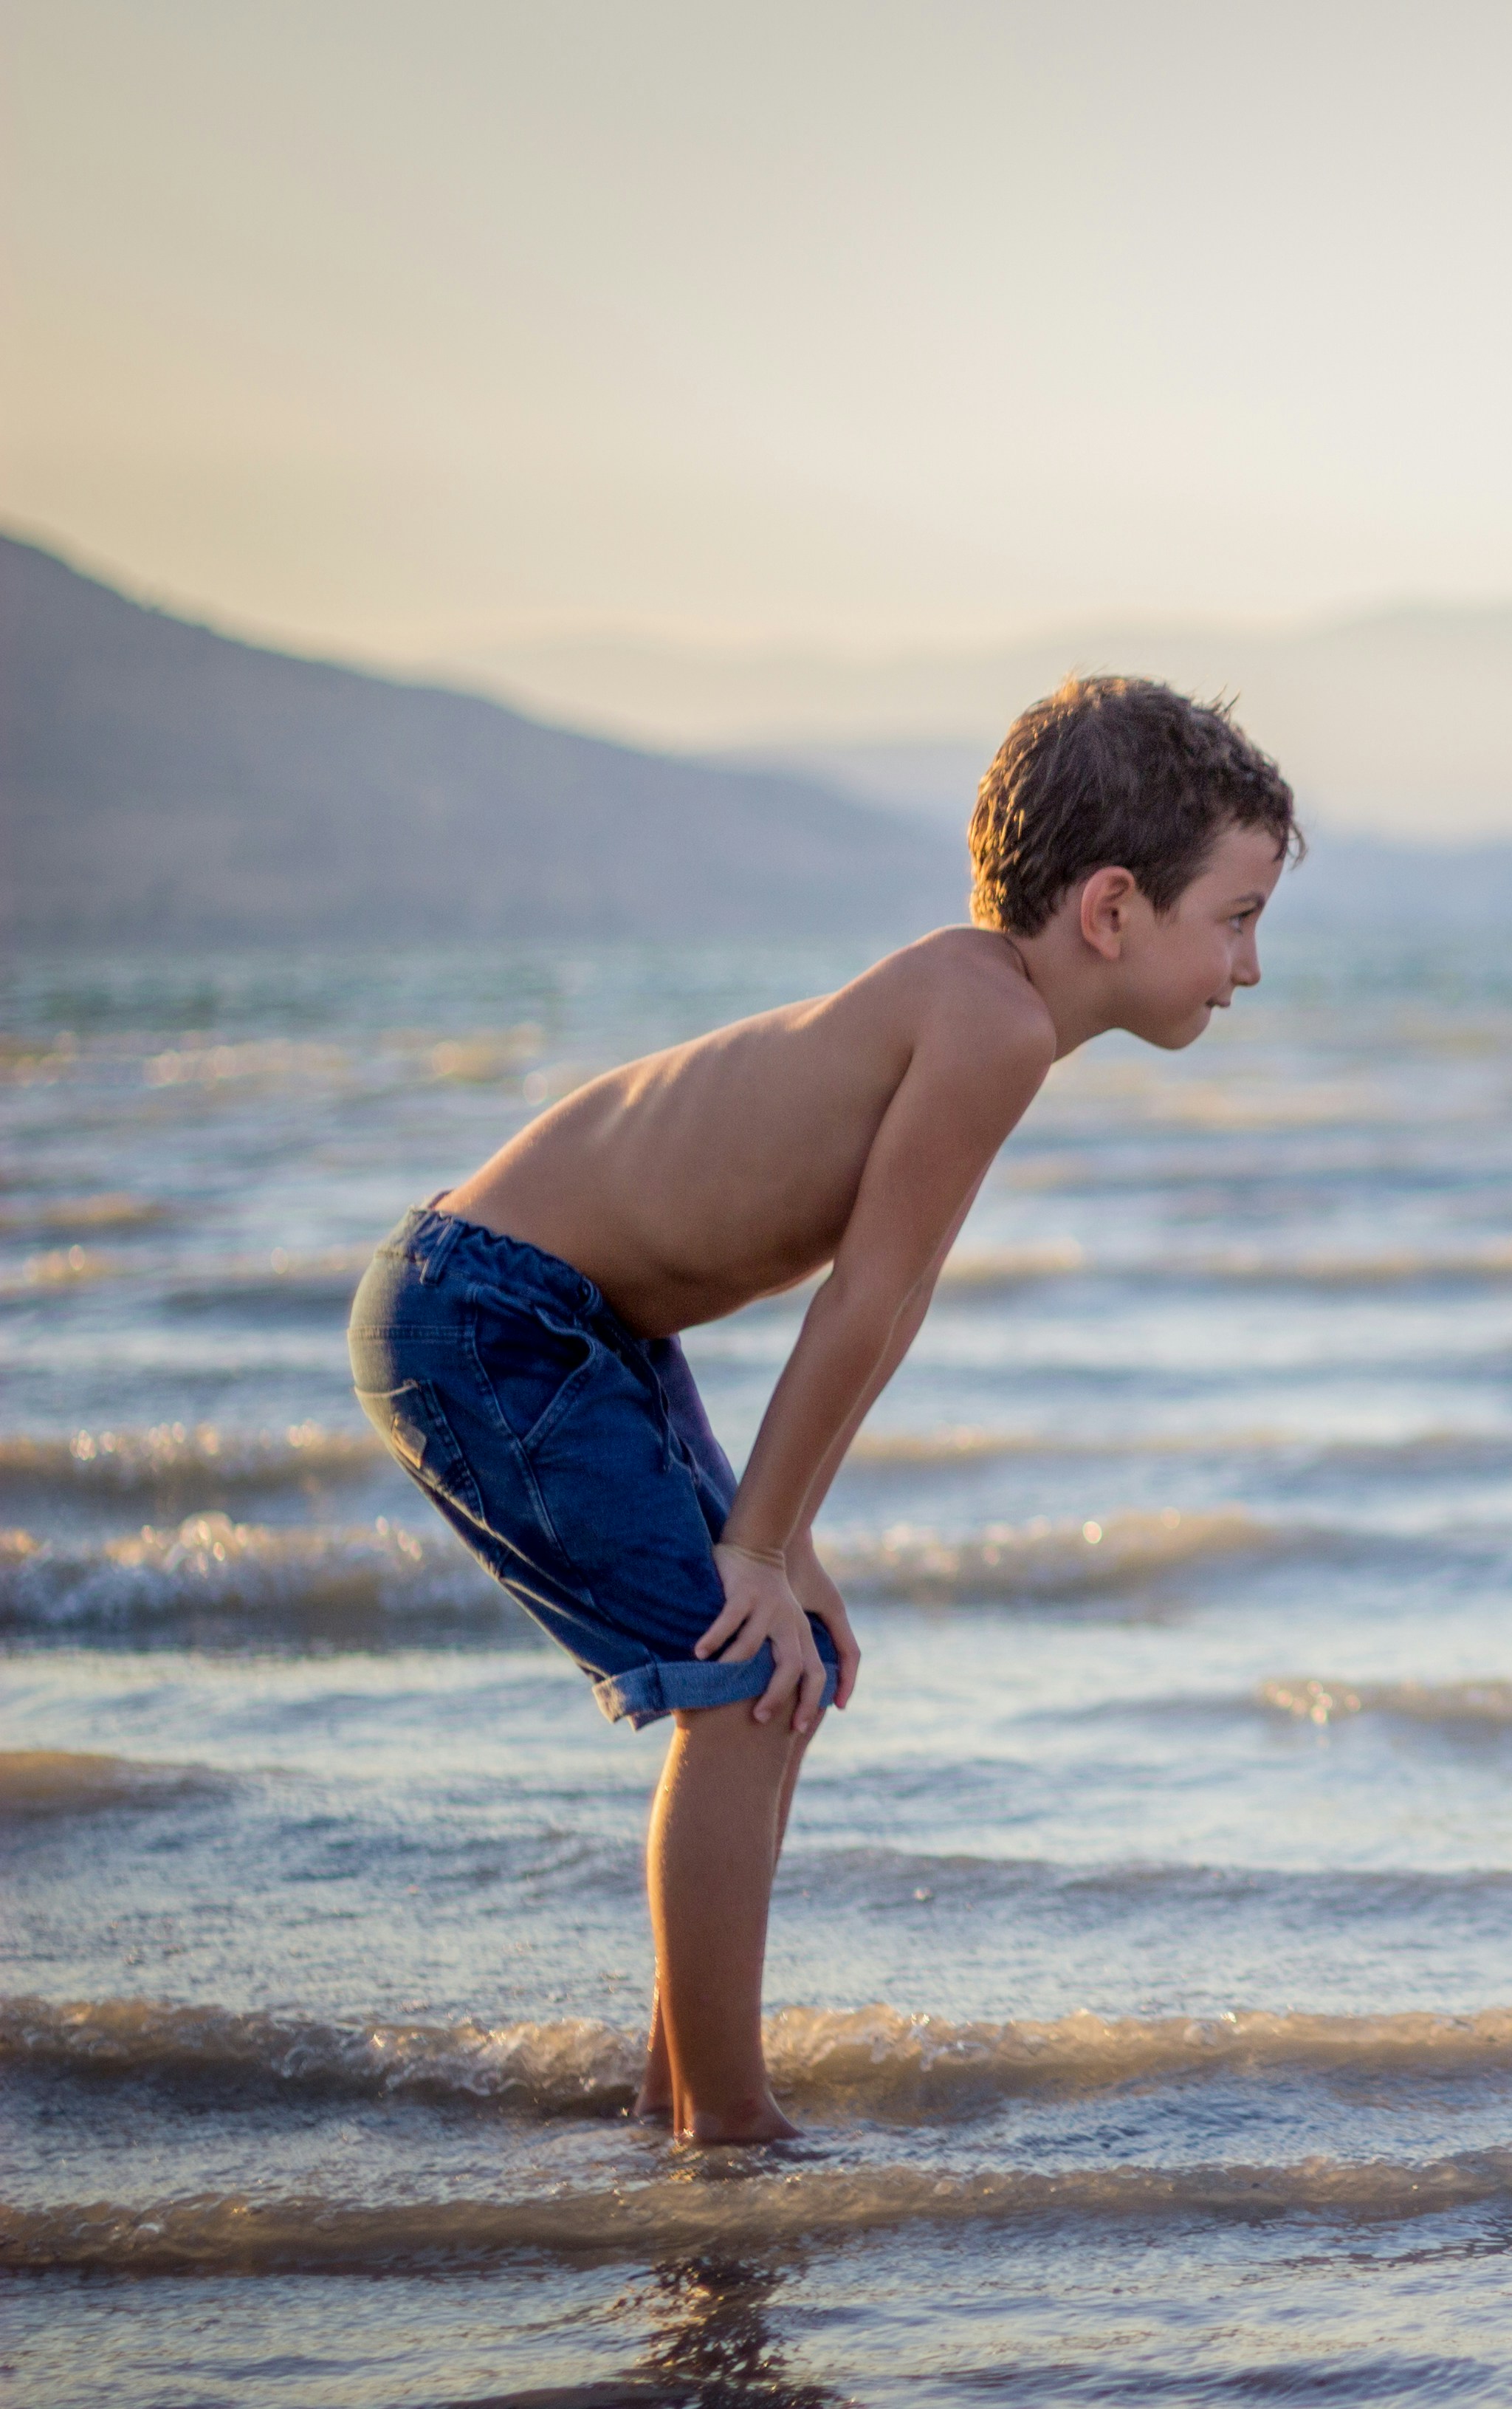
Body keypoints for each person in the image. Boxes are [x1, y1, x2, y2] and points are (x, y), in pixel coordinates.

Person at [346, 676, 1295, 2139]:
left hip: (581, 1322)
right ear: (1112, 909)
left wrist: (788, 1545)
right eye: (1234, 918)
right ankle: (724, 2126)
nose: (1246, 966)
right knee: (734, 1682)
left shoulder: (980, 1000)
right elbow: (873, 1298)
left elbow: (864, 1305)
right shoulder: (988, 1023)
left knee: (786, 1669)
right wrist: (755, 1545)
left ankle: (680, 2090)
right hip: (486, 1314)